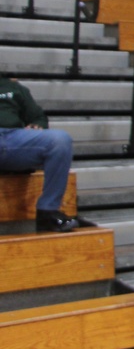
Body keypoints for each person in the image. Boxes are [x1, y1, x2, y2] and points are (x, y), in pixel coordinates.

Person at [0, 73, 80, 232]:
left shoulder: (13, 87)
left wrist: (37, 124)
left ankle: (48, 212)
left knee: (59, 140)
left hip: (13, 138)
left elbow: (38, 117)